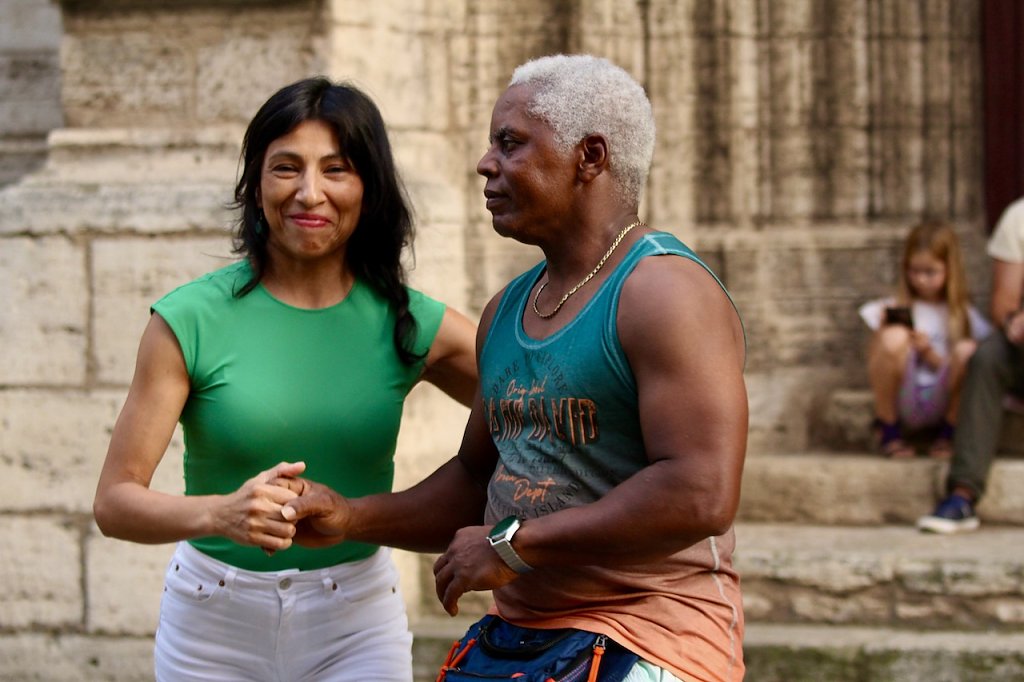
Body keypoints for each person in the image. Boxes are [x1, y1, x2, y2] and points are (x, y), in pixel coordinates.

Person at [279, 54, 749, 682]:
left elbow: (700, 492)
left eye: (510, 143)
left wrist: (512, 546)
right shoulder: (507, 309)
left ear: (590, 157)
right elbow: (477, 480)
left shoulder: (664, 292)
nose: (485, 163)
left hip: (650, 637)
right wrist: (350, 517)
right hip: (522, 637)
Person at [92, 77, 478, 681]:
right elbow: (115, 503)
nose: (309, 192)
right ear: (255, 184)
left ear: (369, 187)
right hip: (211, 624)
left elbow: (542, 410)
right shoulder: (188, 320)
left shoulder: (413, 324)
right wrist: (220, 514)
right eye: (286, 168)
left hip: (355, 623)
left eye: (336, 169)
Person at [918, 197, 1024, 533]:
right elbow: (1003, 306)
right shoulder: (1019, 217)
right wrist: (1016, 323)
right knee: (987, 356)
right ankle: (963, 494)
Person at [859, 221, 992, 458]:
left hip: (942, 397)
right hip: (904, 395)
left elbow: (970, 365)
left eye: (930, 272)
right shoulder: (891, 307)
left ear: (950, 269)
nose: (921, 280)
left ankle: (950, 434)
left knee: (968, 351)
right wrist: (883, 333)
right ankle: (888, 429)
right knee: (892, 337)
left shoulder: (963, 315)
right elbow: (876, 358)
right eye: (914, 271)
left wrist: (928, 353)